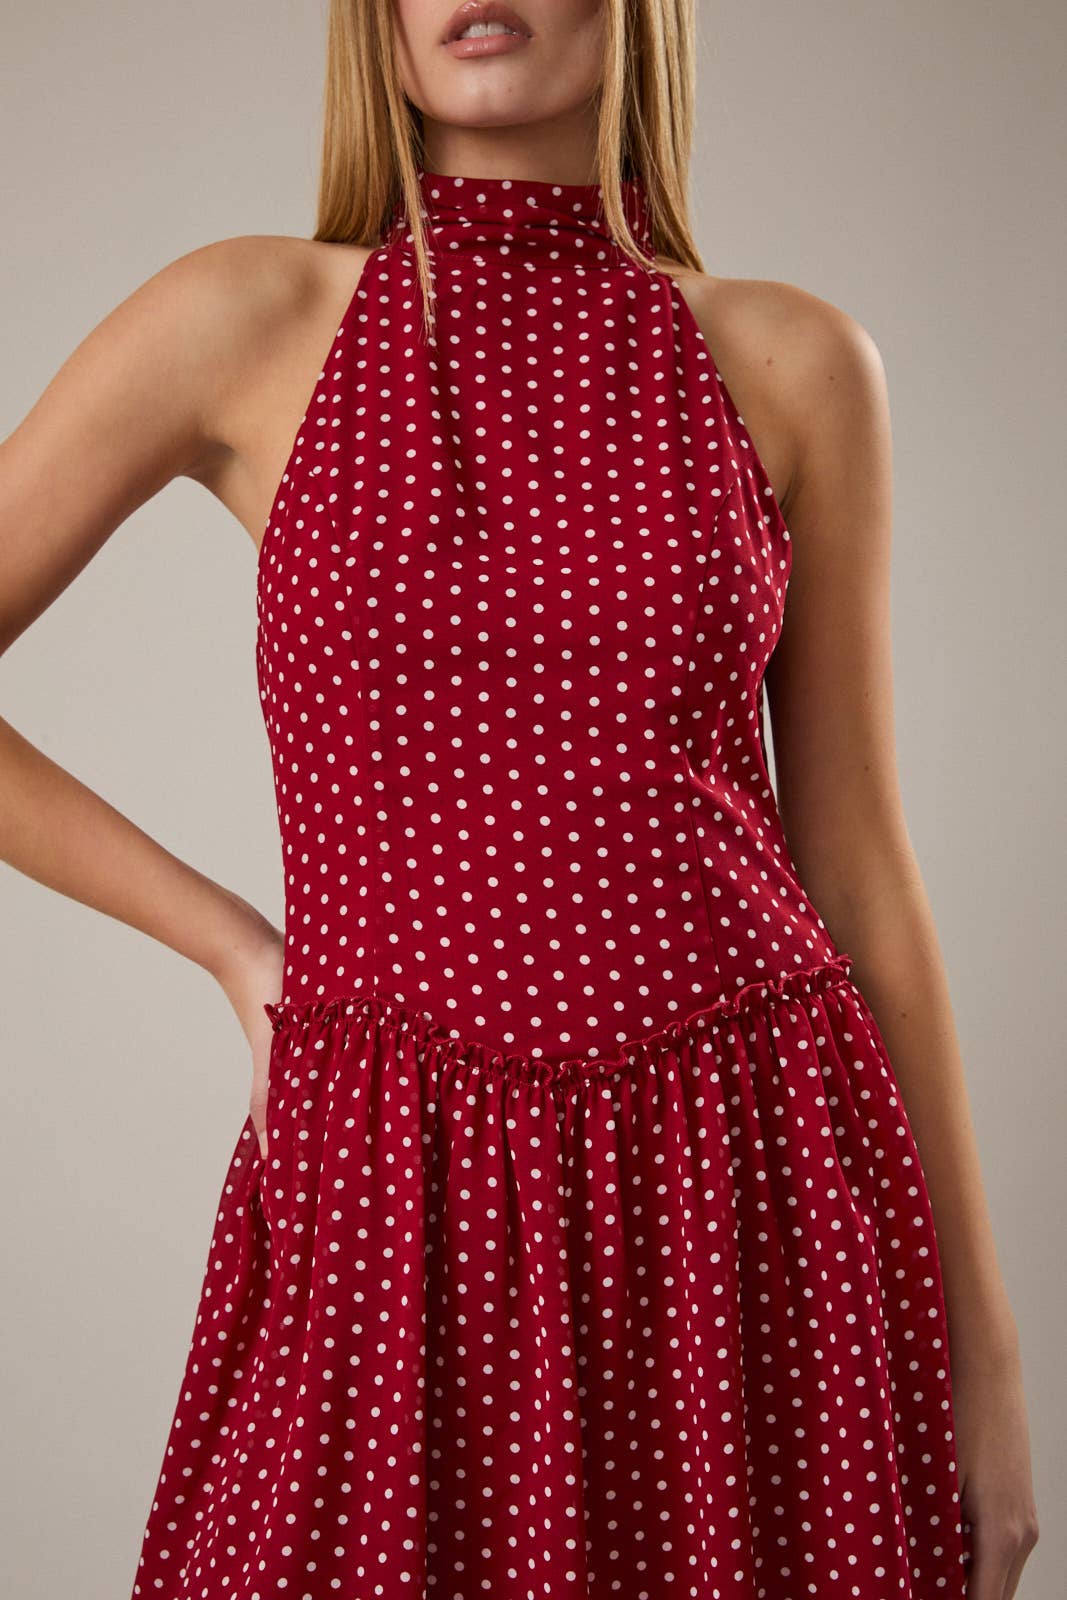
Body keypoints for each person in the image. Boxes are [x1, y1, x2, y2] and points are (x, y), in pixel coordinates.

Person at [0, 2, 1039, 1597]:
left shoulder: (795, 360)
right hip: (392, 1186)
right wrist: (227, 943)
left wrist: (986, 1359)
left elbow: (861, 870)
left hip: (736, 1184)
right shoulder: (249, 318)